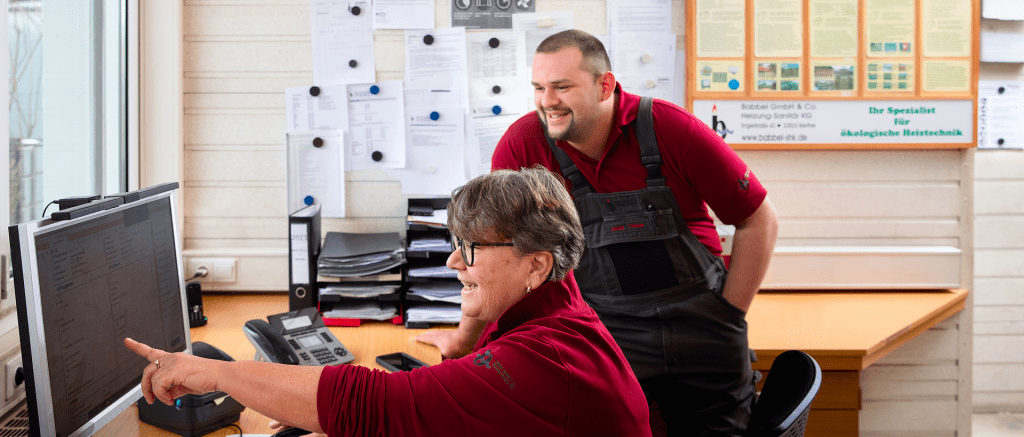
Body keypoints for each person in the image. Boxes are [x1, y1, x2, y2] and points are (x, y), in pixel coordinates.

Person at [417, 30, 779, 437]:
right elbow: (492, 257)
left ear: (605, 84)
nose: (547, 101)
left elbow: (758, 219)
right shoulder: (524, 146)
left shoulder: (670, 128)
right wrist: (466, 340)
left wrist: (728, 313)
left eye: (562, 87)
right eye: (539, 88)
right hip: (607, 335)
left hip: (703, 330)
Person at [126, 167, 651, 437]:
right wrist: (472, 316)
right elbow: (470, 405)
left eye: (470, 248)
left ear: (535, 263)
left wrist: (218, 375)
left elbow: (376, 406)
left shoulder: (545, 357)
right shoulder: (553, 305)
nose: (451, 263)